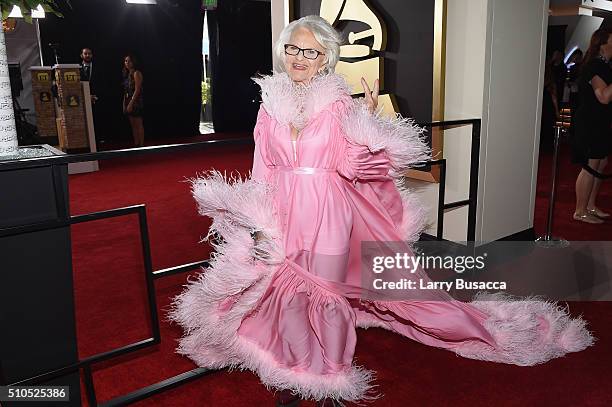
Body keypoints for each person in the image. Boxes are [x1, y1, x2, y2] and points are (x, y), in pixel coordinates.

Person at [170, 16, 593, 406]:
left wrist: (368, 125)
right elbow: (262, 164)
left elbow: (355, 166)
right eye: (293, 50)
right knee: (283, 285)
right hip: (280, 207)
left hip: (327, 209)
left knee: (325, 287)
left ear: (326, 59)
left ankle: (329, 373)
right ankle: (293, 365)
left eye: (311, 51)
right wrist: (257, 218)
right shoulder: (269, 104)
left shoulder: (338, 105)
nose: (300, 59)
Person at [572, 28, 612, 224]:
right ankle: (580, 210)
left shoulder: (606, 65)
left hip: (601, 121)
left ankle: (590, 205)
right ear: (604, 42)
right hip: (590, 121)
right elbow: (603, 97)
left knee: (600, 163)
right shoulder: (595, 65)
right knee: (590, 166)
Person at [122, 54, 145, 147]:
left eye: (129, 61)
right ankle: (136, 144)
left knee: (138, 123)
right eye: (126, 61)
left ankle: (142, 145)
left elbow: (138, 89)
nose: (127, 63)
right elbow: (126, 90)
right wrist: (124, 103)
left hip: (136, 100)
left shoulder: (136, 73)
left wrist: (131, 103)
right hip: (128, 99)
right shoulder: (127, 74)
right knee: (132, 124)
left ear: (133, 62)